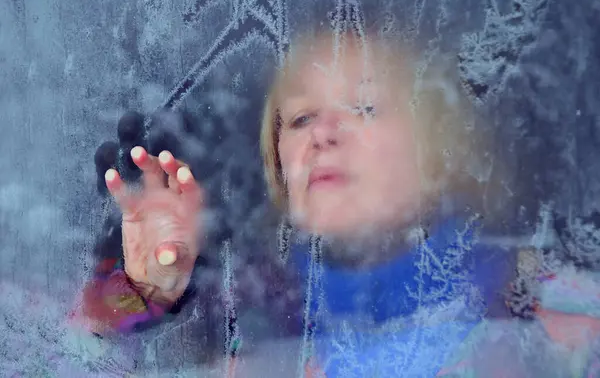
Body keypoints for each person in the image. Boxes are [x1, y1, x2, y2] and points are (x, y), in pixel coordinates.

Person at [70, 27, 600, 377]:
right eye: (299, 118)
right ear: (279, 165)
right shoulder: (240, 320)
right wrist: (140, 297)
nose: (323, 132)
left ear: (440, 145)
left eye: (366, 106)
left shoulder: (543, 303)